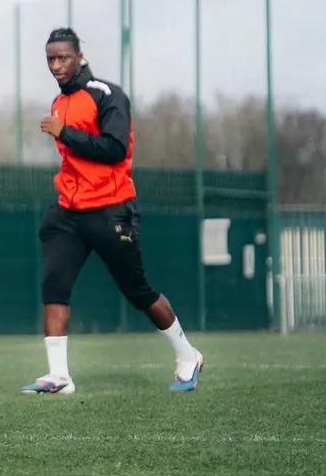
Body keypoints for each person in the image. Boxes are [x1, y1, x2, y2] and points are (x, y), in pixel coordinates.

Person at [23, 27, 203, 394]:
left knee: (137, 290)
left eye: (62, 58)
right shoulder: (60, 102)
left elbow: (115, 149)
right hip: (69, 212)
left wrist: (63, 133)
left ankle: (188, 356)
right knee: (53, 286)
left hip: (111, 208)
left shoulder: (107, 95)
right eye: (50, 60)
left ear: (79, 57)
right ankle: (59, 376)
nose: (56, 66)